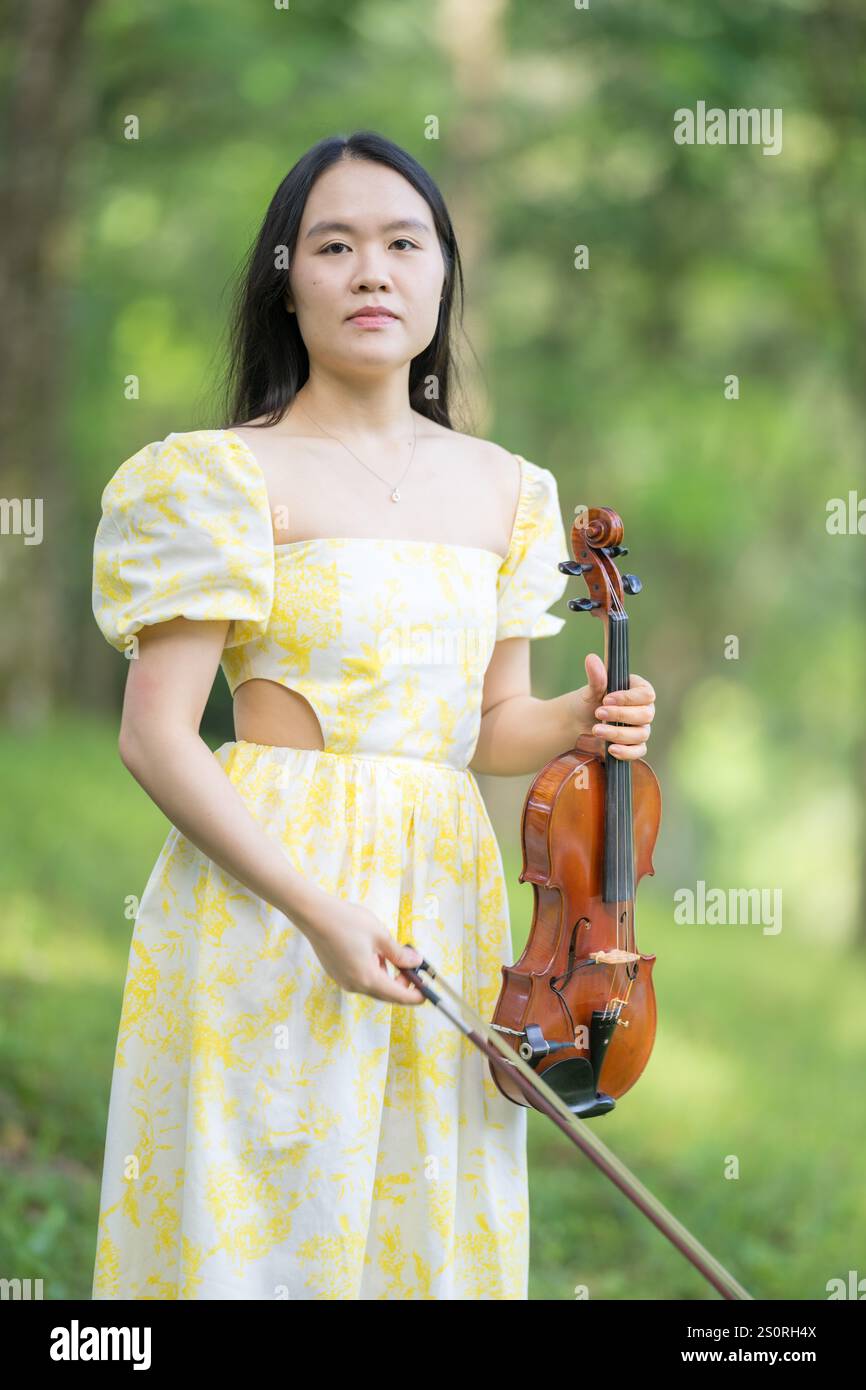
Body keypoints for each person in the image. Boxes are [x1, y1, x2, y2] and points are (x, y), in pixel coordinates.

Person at [90, 130, 656, 1301]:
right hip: (266, 888)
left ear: (442, 274)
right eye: (334, 246)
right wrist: (317, 912)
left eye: (403, 244)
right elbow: (155, 736)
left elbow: (487, 728)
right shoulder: (214, 476)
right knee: (260, 1217)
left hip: (442, 893)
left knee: (418, 1221)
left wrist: (577, 715)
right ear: (285, 279)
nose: (370, 273)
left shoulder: (507, 489)